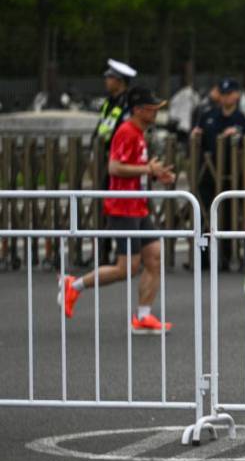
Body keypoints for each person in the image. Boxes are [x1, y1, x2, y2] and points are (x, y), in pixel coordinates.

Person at [58, 87, 176, 333]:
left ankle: (143, 316)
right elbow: (114, 167)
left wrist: (155, 175)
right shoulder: (126, 131)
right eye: (152, 108)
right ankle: (74, 285)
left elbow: (134, 168)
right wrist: (148, 170)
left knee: (154, 257)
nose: (156, 112)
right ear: (138, 110)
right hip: (123, 207)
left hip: (138, 206)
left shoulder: (139, 133)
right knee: (126, 268)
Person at [192, 78, 245, 268]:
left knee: (228, 217)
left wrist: (238, 132)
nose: (226, 97)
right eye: (223, 94)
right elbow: (197, 137)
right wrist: (195, 136)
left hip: (231, 175)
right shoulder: (208, 115)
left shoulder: (242, 119)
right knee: (203, 214)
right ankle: (202, 258)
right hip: (207, 174)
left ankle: (226, 257)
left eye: (230, 93)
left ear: (237, 95)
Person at [93, 59, 137, 265]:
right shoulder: (109, 102)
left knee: (122, 207)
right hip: (106, 160)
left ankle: (124, 252)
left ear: (120, 81)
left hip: (121, 161)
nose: (106, 81)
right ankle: (103, 251)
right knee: (105, 206)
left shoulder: (128, 103)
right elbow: (102, 127)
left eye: (110, 77)